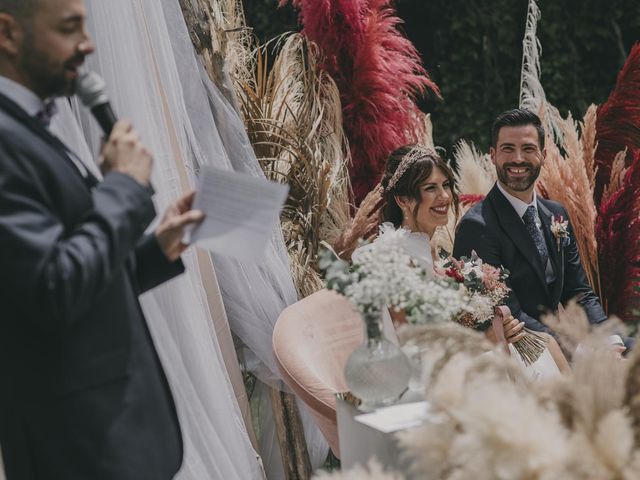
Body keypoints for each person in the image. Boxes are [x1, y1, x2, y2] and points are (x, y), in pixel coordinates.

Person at [0, 0, 204, 478]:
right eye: (70, 29)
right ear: (7, 34)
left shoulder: (29, 128)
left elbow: (63, 271)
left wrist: (155, 250)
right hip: (79, 446)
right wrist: (124, 189)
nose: (88, 45)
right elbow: (54, 288)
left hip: (108, 439)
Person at [452, 109, 623, 355]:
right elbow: (510, 312)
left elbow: (579, 292)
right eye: (508, 148)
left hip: (566, 343)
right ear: (493, 155)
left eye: (528, 149)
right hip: (524, 350)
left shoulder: (557, 214)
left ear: (543, 155)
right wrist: (585, 352)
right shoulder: (477, 226)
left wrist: (610, 341)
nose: (518, 158)